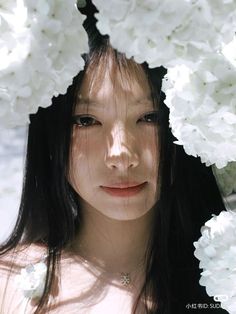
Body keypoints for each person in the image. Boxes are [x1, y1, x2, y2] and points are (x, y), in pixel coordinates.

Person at [0, 2, 228, 313]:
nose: (121, 154)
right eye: (86, 120)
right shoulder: (8, 284)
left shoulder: (225, 285)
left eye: (149, 117)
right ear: (51, 135)